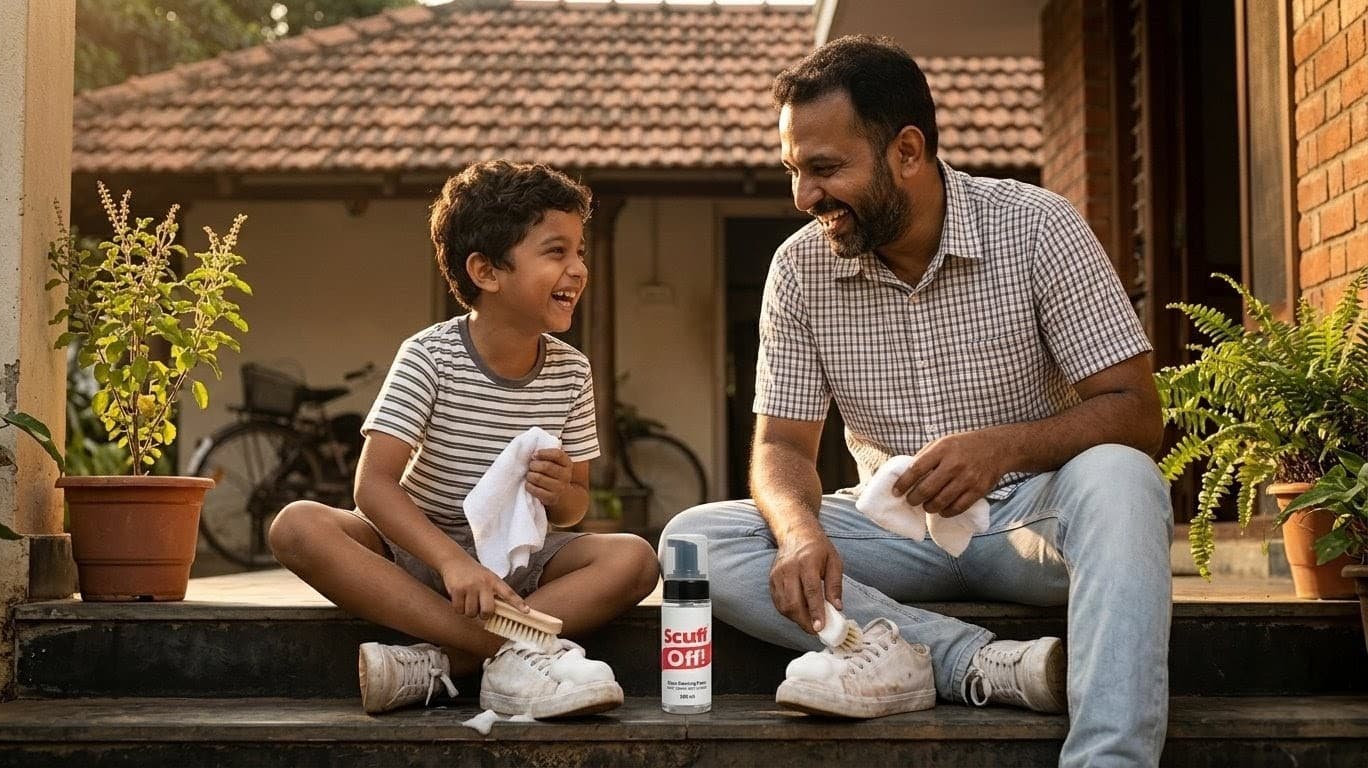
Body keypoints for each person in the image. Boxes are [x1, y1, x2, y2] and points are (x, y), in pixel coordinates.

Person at [662, 36, 1171, 766]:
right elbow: (780, 447)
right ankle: (972, 663)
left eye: (825, 169)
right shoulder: (800, 269)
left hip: (1032, 523)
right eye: (794, 171)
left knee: (1125, 479)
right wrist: (802, 533)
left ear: (907, 150)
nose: (804, 197)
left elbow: (1134, 409)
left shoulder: (1038, 226)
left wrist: (1002, 447)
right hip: (893, 533)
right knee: (698, 541)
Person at [270, 160, 659, 717]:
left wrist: (558, 491)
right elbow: (373, 488)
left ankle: (439, 664)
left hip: (518, 570)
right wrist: (453, 562)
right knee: (297, 526)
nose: (577, 269)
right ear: (486, 271)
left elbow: (575, 507)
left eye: (579, 252)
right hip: (419, 558)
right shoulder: (430, 357)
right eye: (556, 252)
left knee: (637, 560)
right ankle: (512, 652)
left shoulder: (573, 372)